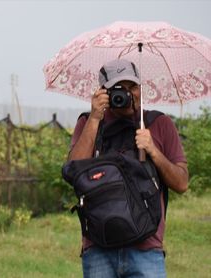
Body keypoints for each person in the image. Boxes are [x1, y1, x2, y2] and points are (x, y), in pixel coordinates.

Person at [68, 59, 189, 277]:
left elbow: (181, 183)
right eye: (118, 89)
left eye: (132, 87)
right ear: (103, 92)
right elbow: (73, 171)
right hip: (98, 246)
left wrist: (153, 150)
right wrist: (95, 118)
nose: (127, 94)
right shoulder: (89, 123)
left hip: (147, 247)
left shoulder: (159, 123)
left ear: (141, 88)